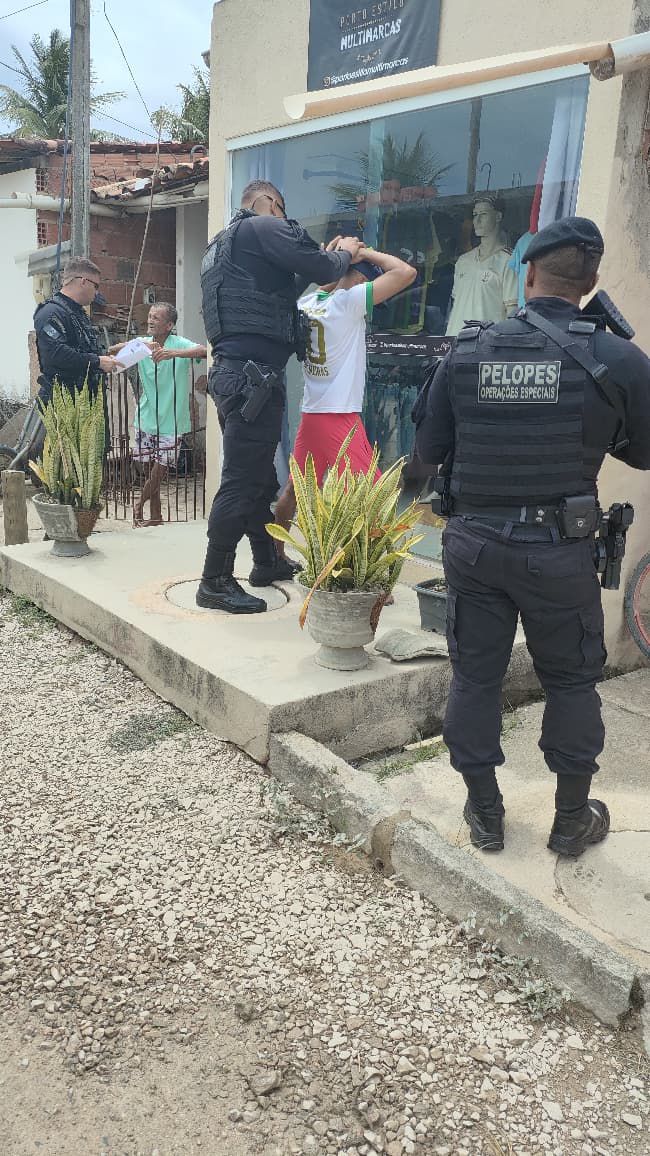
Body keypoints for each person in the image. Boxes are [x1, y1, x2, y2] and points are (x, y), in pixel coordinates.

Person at [415, 217, 650, 859]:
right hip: (559, 552)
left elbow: (428, 451)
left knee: (475, 678)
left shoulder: (466, 350)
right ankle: (571, 820)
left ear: (528, 272)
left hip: (474, 547)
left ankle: (485, 814)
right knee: (571, 682)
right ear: (591, 281)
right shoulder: (616, 357)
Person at [196, 179, 363, 614]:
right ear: (271, 202)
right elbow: (324, 270)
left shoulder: (222, 245)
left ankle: (266, 561)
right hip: (251, 379)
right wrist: (346, 252)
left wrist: (321, 261)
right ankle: (214, 580)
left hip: (239, 376)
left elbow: (282, 292)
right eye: (283, 210)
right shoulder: (262, 226)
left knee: (259, 478)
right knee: (241, 480)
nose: (286, 219)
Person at [273, 241, 416, 535]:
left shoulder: (308, 303)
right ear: (361, 279)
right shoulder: (349, 303)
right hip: (339, 416)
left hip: (312, 413)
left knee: (294, 490)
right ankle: (360, 559)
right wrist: (362, 253)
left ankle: (275, 553)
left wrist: (334, 261)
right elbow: (406, 272)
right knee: (374, 497)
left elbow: (325, 285)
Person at [109, 304, 207, 525]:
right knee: (148, 471)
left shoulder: (178, 344)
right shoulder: (143, 344)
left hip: (172, 421)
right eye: (150, 316)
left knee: (158, 472)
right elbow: (112, 352)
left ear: (169, 325)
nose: (150, 320)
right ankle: (156, 516)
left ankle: (138, 504)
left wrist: (174, 354)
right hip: (146, 418)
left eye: (156, 318)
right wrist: (137, 345)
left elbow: (204, 351)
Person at [34, 257, 120, 404]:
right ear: (83, 281)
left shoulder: (77, 312)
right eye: (96, 286)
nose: (97, 293)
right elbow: (56, 354)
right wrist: (97, 362)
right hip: (61, 402)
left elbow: (83, 350)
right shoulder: (51, 312)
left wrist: (109, 352)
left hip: (83, 400)